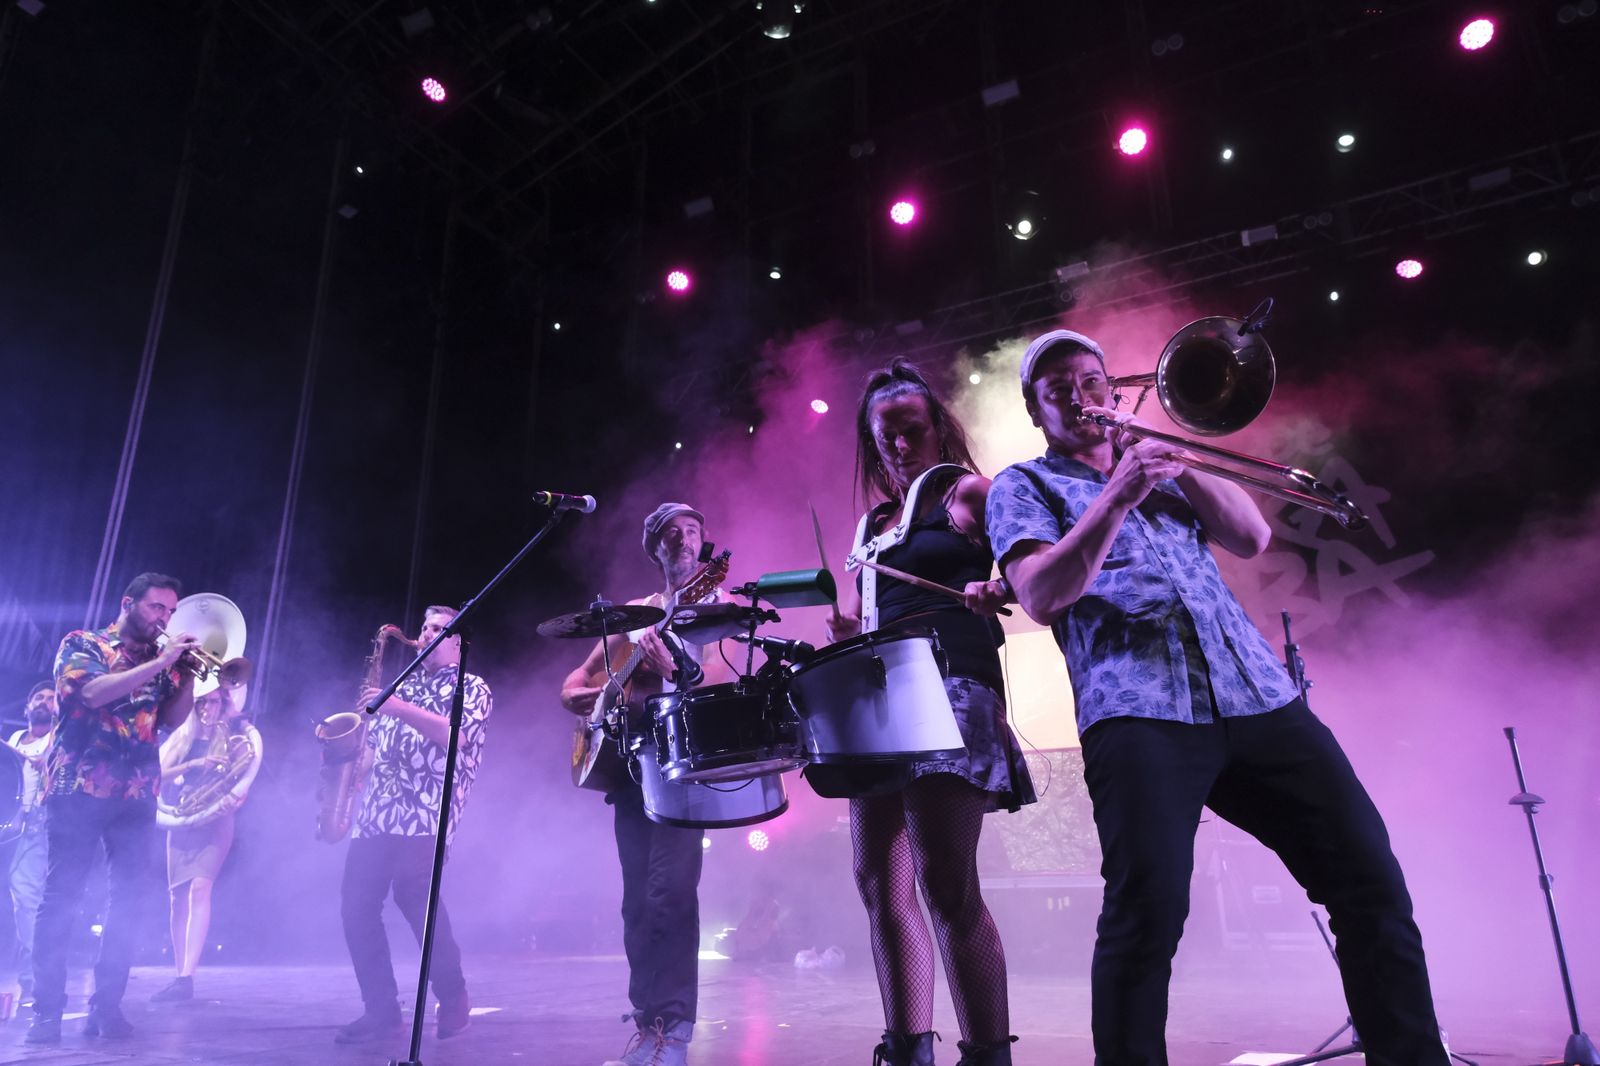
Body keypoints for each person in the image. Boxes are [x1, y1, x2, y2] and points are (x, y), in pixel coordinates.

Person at [987, 329, 1450, 1065]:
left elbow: (1251, 534)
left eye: (1092, 381)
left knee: (1370, 881)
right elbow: (1041, 596)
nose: (1081, 398)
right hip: (1138, 710)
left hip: (1256, 693)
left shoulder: (1166, 470)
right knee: (1148, 914)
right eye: (1058, 389)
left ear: (1117, 390)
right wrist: (1114, 496)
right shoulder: (1023, 486)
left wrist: (1179, 463)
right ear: (1034, 410)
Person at [827, 361, 1035, 1066]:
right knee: (878, 881)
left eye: (910, 431)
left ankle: (986, 1056)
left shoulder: (966, 493)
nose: (897, 447)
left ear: (938, 427)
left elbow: (1035, 570)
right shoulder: (872, 525)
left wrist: (1000, 582)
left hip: (949, 690)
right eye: (883, 436)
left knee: (948, 884)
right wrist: (847, 634)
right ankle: (908, 1048)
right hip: (880, 699)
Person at [559, 502, 732, 1066]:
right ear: (653, 547)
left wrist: (678, 671)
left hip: (684, 763)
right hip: (632, 763)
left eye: (692, 530)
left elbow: (728, 679)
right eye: (669, 533)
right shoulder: (639, 614)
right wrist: (606, 690)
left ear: (704, 546)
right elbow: (571, 686)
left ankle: (672, 1030)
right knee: (637, 900)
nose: (682, 539)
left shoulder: (718, 605)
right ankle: (647, 1021)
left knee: (670, 894)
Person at [27, 572, 201, 1044]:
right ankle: (46, 1011)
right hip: (78, 784)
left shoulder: (161, 661)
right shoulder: (83, 643)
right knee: (61, 899)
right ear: (128, 604)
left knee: (129, 902)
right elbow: (91, 693)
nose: (163, 617)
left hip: (138, 790)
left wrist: (185, 681)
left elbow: (169, 720)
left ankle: (107, 1008)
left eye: (170, 611)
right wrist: (162, 662)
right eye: (155, 608)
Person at [335, 604, 492, 1044]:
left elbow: (455, 735)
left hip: (425, 814)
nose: (427, 635)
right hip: (376, 816)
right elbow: (378, 750)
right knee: (355, 907)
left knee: (415, 902)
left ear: (459, 645)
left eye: (441, 629)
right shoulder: (403, 687)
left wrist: (394, 705)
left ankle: (454, 994)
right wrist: (351, 768)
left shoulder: (472, 686)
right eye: (425, 627)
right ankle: (381, 1010)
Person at [151, 660, 259, 1003]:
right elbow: (158, 775)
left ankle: (187, 976)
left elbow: (246, 774)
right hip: (183, 818)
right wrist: (195, 763)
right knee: (176, 897)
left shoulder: (237, 736)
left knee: (200, 888)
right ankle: (178, 972)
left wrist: (237, 798)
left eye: (215, 701)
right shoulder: (182, 737)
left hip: (215, 820)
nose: (208, 707)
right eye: (203, 702)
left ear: (225, 703)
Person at [7, 680, 57, 1006]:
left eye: (52, 698)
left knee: (28, 901)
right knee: (19, 903)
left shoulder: (61, 738)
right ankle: (32, 977)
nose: (44, 701)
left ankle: (37, 978)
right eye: (38, 696)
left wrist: (49, 766)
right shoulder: (12, 740)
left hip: (41, 826)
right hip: (11, 828)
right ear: (27, 708)